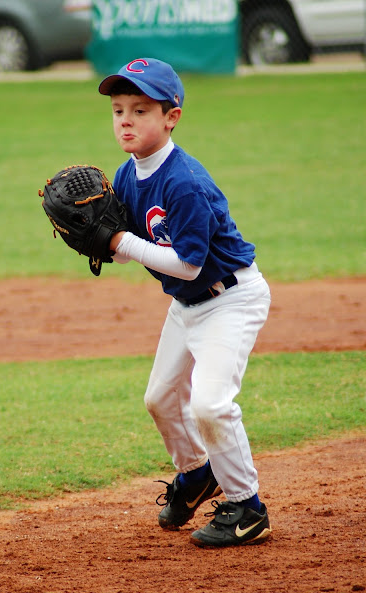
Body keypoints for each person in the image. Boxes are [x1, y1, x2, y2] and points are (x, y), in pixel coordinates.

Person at [98, 58, 272, 548]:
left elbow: (188, 265)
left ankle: (248, 508)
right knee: (159, 398)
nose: (126, 120)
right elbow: (125, 245)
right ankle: (197, 474)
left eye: (140, 110)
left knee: (210, 405)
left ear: (171, 117)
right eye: (118, 110)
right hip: (187, 304)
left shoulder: (184, 182)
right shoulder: (126, 176)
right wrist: (102, 243)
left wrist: (121, 242)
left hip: (230, 299)